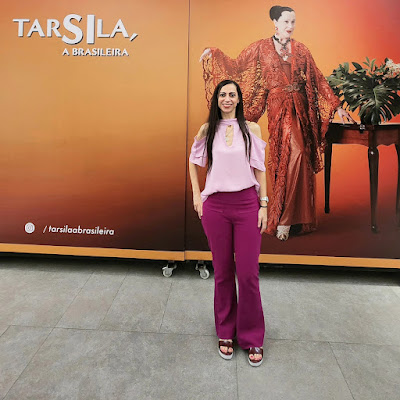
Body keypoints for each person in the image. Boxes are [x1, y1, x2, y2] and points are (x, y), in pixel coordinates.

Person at [200, 5, 354, 240]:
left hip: (301, 108)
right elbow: (236, 66)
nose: (290, 26)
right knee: (285, 159)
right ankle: (285, 217)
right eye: (285, 22)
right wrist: (215, 53)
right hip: (278, 109)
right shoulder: (261, 47)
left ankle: (291, 220)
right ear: (275, 22)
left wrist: (338, 106)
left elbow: (318, 78)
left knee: (300, 156)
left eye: (293, 22)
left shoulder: (301, 49)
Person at [188, 80, 267, 367]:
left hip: (247, 205)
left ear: (239, 99)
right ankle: (225, 331)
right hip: (216, 208)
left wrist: (264, 204)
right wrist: (198, 195)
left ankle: (252, 335)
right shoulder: (207, 130)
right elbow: (193, 161)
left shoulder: (252, 129)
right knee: (222, 273)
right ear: (217, 99)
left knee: (248, 274)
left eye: (232, 94)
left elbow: (260, 168)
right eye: (223, 94)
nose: (227, 99)